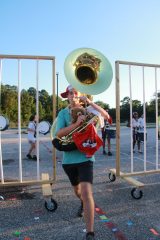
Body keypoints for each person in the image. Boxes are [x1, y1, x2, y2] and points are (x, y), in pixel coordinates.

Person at [54, 85, 110, 240]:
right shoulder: (63, 113)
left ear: (80, 95)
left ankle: (90, 232)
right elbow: (59, 133)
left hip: (86, 157)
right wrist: (77, 123)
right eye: (70, 93)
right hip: (69, 159)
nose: (72, 95)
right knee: (78, 192)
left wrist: (90, 103)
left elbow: (106, 116)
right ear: (67, 97)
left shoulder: (89, 110)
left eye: (75, 93)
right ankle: (83, 203)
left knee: (86, 192)